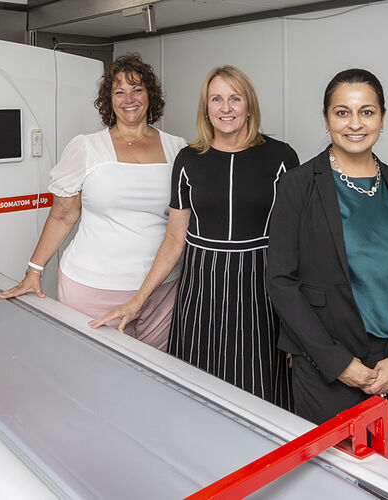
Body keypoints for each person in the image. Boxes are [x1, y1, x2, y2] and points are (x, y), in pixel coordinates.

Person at [92, 66, 298, 409]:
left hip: (260, 292)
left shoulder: (281, 157)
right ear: (206, 108)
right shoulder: (188, 159)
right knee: (198, 395)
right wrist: (137, 300)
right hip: (202, 292)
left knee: (260, 392)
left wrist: (297, 328)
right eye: (216, 99)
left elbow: (296, 243)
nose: (226, 107)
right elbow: (175, 240)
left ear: (249, 105)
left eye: (235, 98)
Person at [265, 68, 388, 461]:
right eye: (342, 112)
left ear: (382, 117)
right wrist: (338, 362)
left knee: (383, 476)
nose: (355, 124)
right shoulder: (298, 184)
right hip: (326, 366)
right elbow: (280, 281)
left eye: (367, 112)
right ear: (326, 119)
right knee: (329, 480)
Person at [0, 54, 186, 351]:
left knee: (156, 376)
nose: (129, 99)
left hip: (160, 291)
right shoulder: (86, 147)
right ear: (108, 100)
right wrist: (34, 271)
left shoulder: (178, 148)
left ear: (151, 94)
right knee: (90, 371)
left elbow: (183, 225)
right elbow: (62, 215)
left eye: (137, 89)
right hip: (92, 288)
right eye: (119, 91)